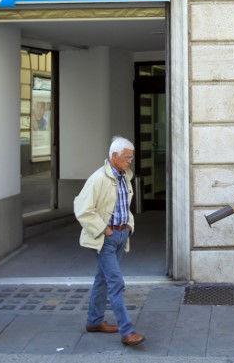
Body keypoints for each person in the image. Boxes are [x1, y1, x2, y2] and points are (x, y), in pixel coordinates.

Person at [74, 136, 145, 346]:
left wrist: (129, 226)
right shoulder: (98, 179)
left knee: (103, 279)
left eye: (131, 157)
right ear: (114, 156)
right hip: (106, 238)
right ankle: (127, 331)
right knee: (116, 282)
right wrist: (105, 230)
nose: (130, 160)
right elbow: (82, 209)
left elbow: (124, 205)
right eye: (126, 157)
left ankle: (94, 321)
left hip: (121, 235)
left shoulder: (125, 176)